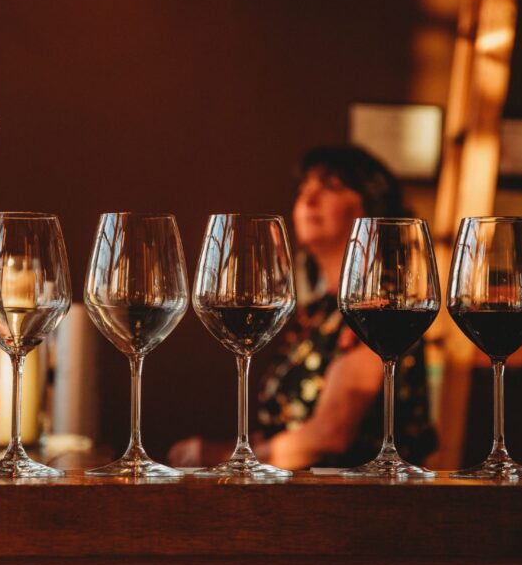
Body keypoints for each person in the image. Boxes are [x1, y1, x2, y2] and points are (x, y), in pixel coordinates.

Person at [168, 145, 437, 470]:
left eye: (331, 187)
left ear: (371, 206)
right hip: (299, 500)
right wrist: (232, 453)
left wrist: (215, 458)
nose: (309, 200)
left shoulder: (382, 309)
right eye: (303, 189)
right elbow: (283, 429)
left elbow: (330, 435)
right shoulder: (316, 314)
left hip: (360, 506)